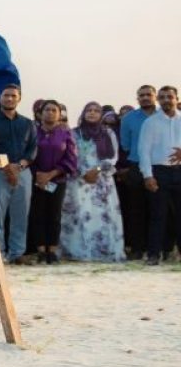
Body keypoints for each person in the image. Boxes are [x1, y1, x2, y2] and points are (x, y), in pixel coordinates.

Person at [0, 84, 37, 264]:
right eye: (6, 95)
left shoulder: (28, 123)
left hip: (23, 173)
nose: (9, 99)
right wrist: (6, 167)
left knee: (21, 214)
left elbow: (33, 149)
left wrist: (18, 166)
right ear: (0, 98)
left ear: (19, 98)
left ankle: (17, 253)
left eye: (13, 96)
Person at [60, 102, 124, 262]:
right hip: (79, 181)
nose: (92, 113)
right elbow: (69, 156)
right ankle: (78, 252)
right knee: (81, 215)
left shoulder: (108, 133)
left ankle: (105, 251)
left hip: (102, 181)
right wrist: (83, 172)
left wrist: (97, 170)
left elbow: (114, 157)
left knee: (103, 216)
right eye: (89, 110)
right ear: (83, 113)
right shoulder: (74, 133)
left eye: (96, 111)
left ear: (101, 115)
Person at [27, 100, 78, 264]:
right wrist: (38, 175)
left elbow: (71, 159)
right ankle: (41, 250)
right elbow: (27, 154)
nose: (50, 113)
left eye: (53, 110)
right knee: (38, 214)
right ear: (40, 114)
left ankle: (53, 251)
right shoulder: (32, 131)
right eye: (47, 110)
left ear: (59, 114)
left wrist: (51, 174)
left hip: (58, 180)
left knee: (54, 215)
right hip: (35, 179)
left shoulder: (66, 133)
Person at [138, 85, 181, 266]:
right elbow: (144, 150)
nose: (165, 100)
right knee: (158, 215)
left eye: (169, 97)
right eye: (162, 97)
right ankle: (154, 254)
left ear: (176, 98)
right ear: (158, 100)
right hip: (159, 172)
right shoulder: (151, 122)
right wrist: (148, 176)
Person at [118, 85, 157, 260]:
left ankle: (158, 248)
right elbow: (125, 144)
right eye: (141, 95)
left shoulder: (163, 117)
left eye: (149, 94)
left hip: (159, 168)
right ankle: (137, 248)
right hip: (136, 166)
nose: (145, 98)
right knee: (136, 209)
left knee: (159, 209)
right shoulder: (128, 118)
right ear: (137, 98)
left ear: (155, 96)